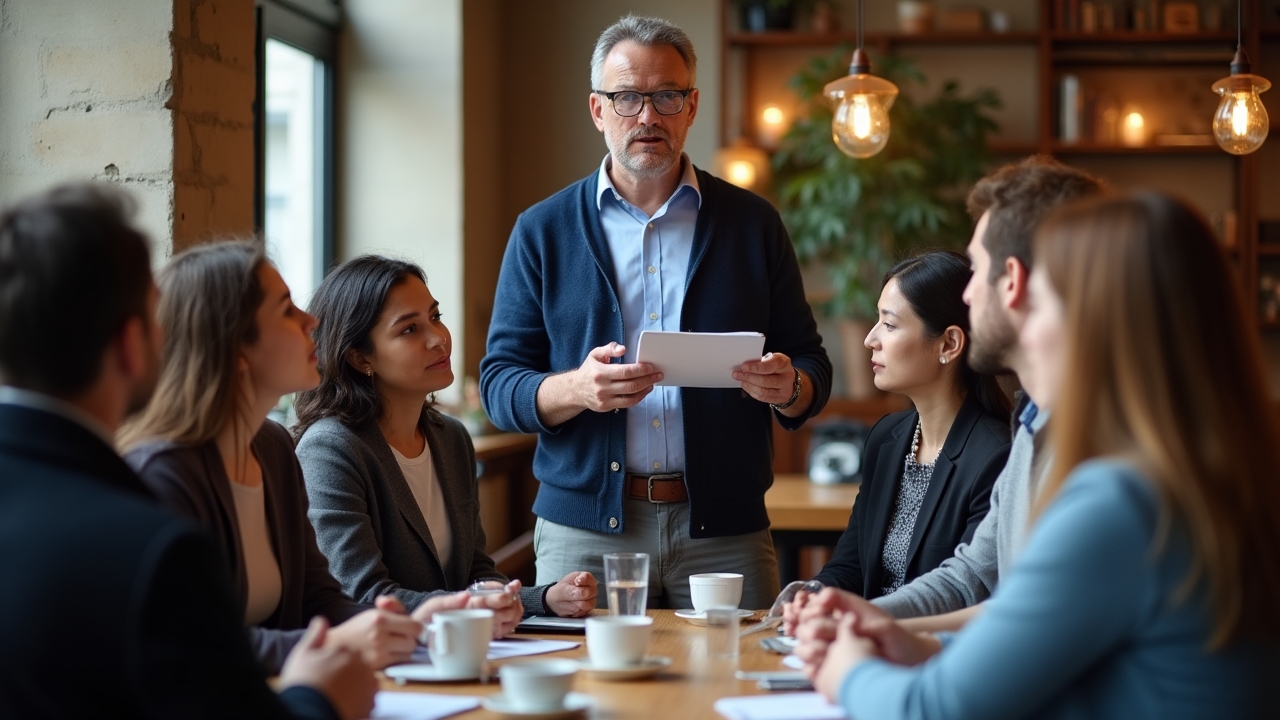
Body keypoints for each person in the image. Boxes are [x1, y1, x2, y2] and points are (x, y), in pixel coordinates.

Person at [796, 192, 1280, 718]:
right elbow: (1031, 621)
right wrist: (924, 643)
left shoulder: (1121, 502)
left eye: (1044, 298)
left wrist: (847, 668)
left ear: (1094, 319)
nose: (1017, 309)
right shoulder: (1201, 472)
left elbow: (929, 709)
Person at [479, 14, 831, 611]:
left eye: (667, 96)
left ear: (691, 106)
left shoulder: (753, 223)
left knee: (738, 690)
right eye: (627, 98)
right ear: (597, 110)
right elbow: (498, 385)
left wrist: (787, 384)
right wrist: (577, 389)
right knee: (588, 696)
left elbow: (812, 370)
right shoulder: (542, 230)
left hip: (725, 531)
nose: (648, 117)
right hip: (584, 532)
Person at [0, 184, 374, 720]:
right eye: (156, 318)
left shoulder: (268, 448)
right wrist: (317, 697)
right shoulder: (144, 535)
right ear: (131, 344)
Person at [121, 241, 491, 674]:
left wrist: (404, 620)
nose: (311, 321)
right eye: (286, 310)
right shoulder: (162, 474)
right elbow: (189, 643)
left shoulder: (273, 446)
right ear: (237, 347)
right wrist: (338, 641)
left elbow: (320, 598)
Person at [783, 156, 1105, 634]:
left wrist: (869, 645)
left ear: (1013, 280)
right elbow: (975, 578)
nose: (970, 294)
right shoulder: (1033, 425)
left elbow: (1027, 622)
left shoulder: (1076, 445)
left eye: (978, 270)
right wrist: (847, 613)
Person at [293, 255, 597, 624]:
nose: (439, 339)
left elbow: (474, 574)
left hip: (454, 653)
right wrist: (474, 608)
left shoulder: (451, 438)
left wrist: (544, 599)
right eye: (409, 330)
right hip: (382, 664)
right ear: (360, 358)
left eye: (435, 317)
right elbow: (363, 595)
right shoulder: (330, 450)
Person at [805, 252, 1010, 600]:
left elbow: (967, 593)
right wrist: (810, 596)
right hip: (864, 638)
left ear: (949, 344)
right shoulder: (887, 438)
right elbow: (850, 567)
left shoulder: (995, 455)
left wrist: (867, 621)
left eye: (889, 324)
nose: (871, 339)